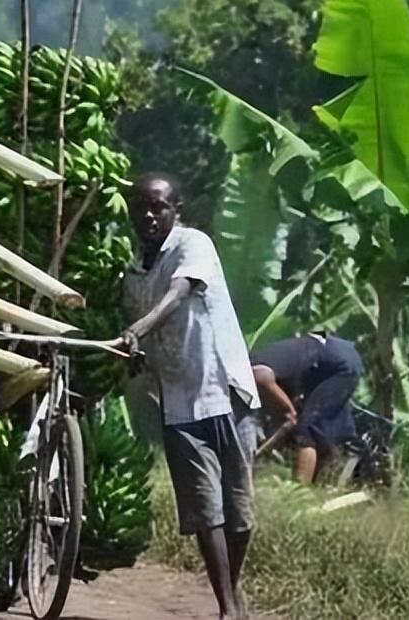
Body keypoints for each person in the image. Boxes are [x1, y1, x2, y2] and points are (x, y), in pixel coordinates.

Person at [112, 172, 260, 620]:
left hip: (226, 390)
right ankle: (226, 607)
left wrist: (139, 328)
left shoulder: (193, 244)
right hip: (178, 402)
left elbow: (180, 292)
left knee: (240, 511)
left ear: (176, 210)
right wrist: (137, 353)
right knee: (205, 508)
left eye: (159, 207)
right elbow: (144, 330)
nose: (149, 215)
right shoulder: (133, 273)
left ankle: (229, 593)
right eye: (141, 207)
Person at [250, 333, 364, 484]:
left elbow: (261, 376)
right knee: (322, 429)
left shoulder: (249, 369)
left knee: (306, 430)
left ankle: (299, 492)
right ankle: (326, 481)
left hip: (334, 360)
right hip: (330, 358)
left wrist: (287, 411)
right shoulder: (267, 362)